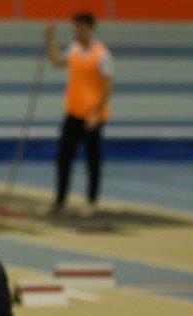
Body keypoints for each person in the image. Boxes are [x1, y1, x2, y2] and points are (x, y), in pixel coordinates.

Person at [46, 13, 113, 214]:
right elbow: (57, 62)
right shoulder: (73, 49)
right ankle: (60, 199)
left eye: (82, 28)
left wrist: (96, 114)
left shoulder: (102, 54)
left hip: (92, 117)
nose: (78, 32)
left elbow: (108, 87)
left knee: (93, 159)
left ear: (90, 29)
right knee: (64, 157)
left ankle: (92, 200)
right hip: (73, 113)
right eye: (76, 28)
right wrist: (50, 40)